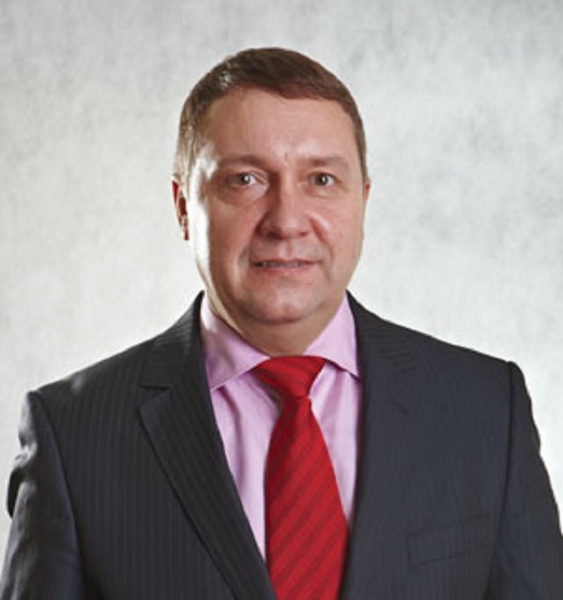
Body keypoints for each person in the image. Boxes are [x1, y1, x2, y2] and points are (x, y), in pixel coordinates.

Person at [1, 47, 562, 600]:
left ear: (362, 201)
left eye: (321, 180)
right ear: (183, 206)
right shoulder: (74, 436)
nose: (287, 221)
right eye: (245, 179)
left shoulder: (487, 410)